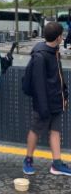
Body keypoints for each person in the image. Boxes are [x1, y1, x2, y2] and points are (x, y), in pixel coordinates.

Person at [23, 22, 71, 176]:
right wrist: (43, 107)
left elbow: (58, 75)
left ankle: (56, 163)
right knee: (36, 131)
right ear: (58, 37)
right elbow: (38, 85)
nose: (63, 37)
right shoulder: (40, 55)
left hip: (56, 100)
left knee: (55, 131)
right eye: (62, 35)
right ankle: (28, 159)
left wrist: (65, 94)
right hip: (43, 104)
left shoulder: (54, 51)